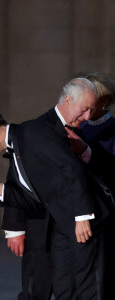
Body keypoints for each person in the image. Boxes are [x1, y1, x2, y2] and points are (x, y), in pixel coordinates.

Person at [0, 78, 112, 299]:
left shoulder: (31, 132)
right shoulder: (16, 146)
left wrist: (82, 216)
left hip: (84, 221)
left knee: (89, 289)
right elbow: (35, 199)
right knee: (64, 288)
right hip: (62, 228)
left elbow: (70, 168)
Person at [65, 72, 115, 300]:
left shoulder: (112, 128)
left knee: (100, 274)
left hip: (104, 209)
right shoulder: (76, 125)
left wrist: (85, 151)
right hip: (74, 207)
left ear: (103, 101)